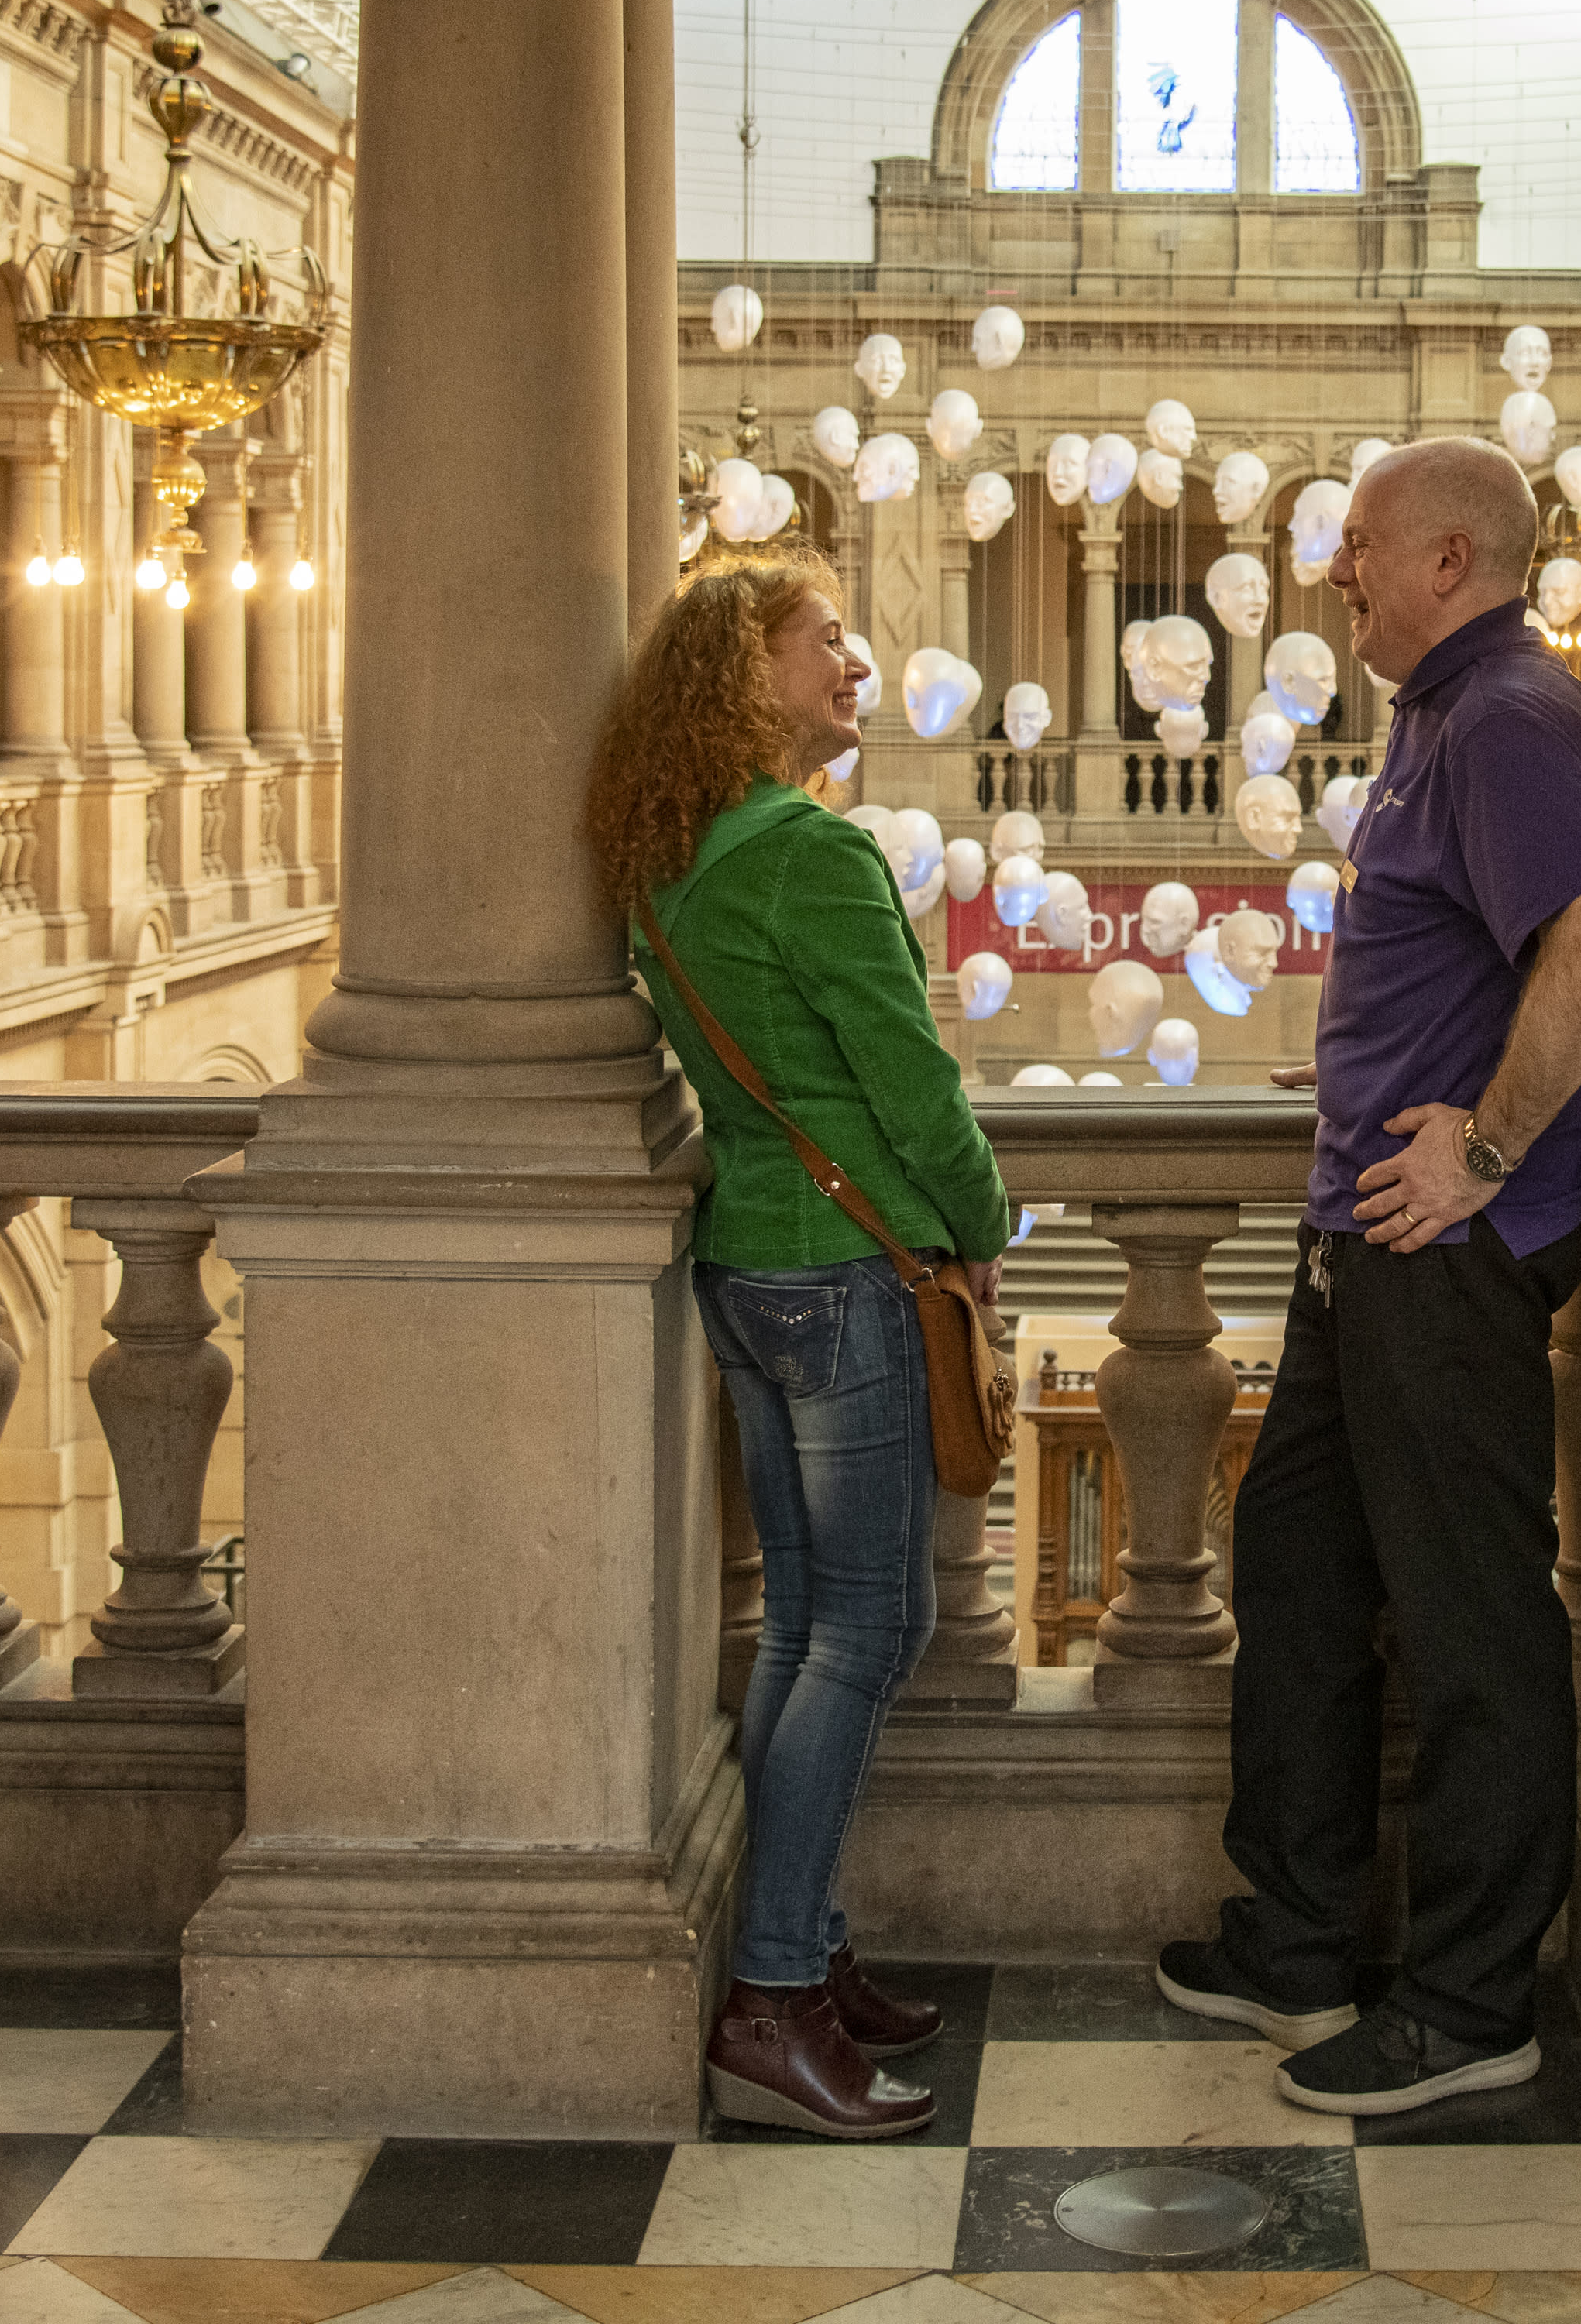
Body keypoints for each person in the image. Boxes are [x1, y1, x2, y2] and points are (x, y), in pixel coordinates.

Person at [1153, 434, 1581, 2115]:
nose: (1334, 570)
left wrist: (1485, 1149)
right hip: (1367, 1233)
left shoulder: (1508, 713)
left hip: (1448, 1250)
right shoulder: (1446, 711)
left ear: (1450, 557)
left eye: (1359, 543)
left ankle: (1467, 1997)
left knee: (1467, 1619)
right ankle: (1298, 1930)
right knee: (1298, 1566)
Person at [586, 556, 1012, 2140]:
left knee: (799, 1628)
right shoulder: (813, 855)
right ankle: (770, 1995)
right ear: (740, 671)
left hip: (752, 1267)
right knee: (870, 1627)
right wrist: (988, 1222)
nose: (857, 656)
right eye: (822, 636)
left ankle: (805, 1949)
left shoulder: (676, 856)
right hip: (850, 1276)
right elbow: (911, 1084)